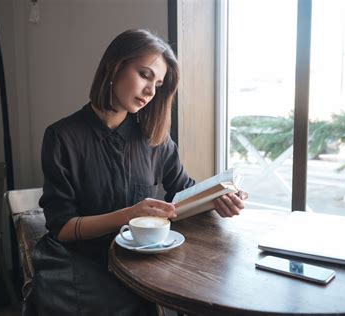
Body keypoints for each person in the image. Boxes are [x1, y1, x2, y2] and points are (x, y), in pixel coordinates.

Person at [30, 29, 246, 315]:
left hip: (140, 261)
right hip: (80, 265)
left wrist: (218, 198)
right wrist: (129, 214)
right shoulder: (62, 137)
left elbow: (183, 192)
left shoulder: (154, 138)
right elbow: (63, 228)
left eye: (158, 84)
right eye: (145, 75)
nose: (150, 91)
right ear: (114, 66)